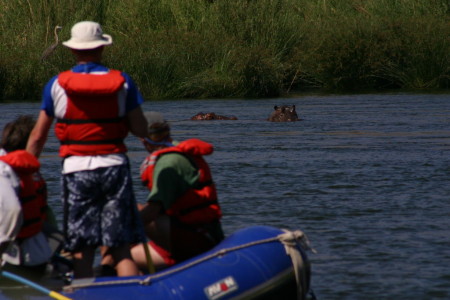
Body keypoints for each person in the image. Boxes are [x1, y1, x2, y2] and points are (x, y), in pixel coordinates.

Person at [26, 21, 148, 279]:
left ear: (73, 50)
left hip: (76, 170)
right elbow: (140, 129)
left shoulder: (56, 85)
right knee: (121, 248)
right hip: (114, 167)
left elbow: (38, 137)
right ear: (102, 48)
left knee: (81, 248)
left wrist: (22, 171)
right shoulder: (123, 82)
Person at [130, 111, 225, 271]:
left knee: (121, 253)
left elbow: (153, 211)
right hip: (206, 232)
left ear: (142, 138)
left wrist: (116, 232)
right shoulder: (179, 151)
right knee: (132, 209)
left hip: (194, 241)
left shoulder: (167, 163)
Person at [0, 115, 53, 276]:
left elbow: (13, 210)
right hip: (40, 256)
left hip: (16, 260)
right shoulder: (28, 172)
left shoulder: (4, 169)